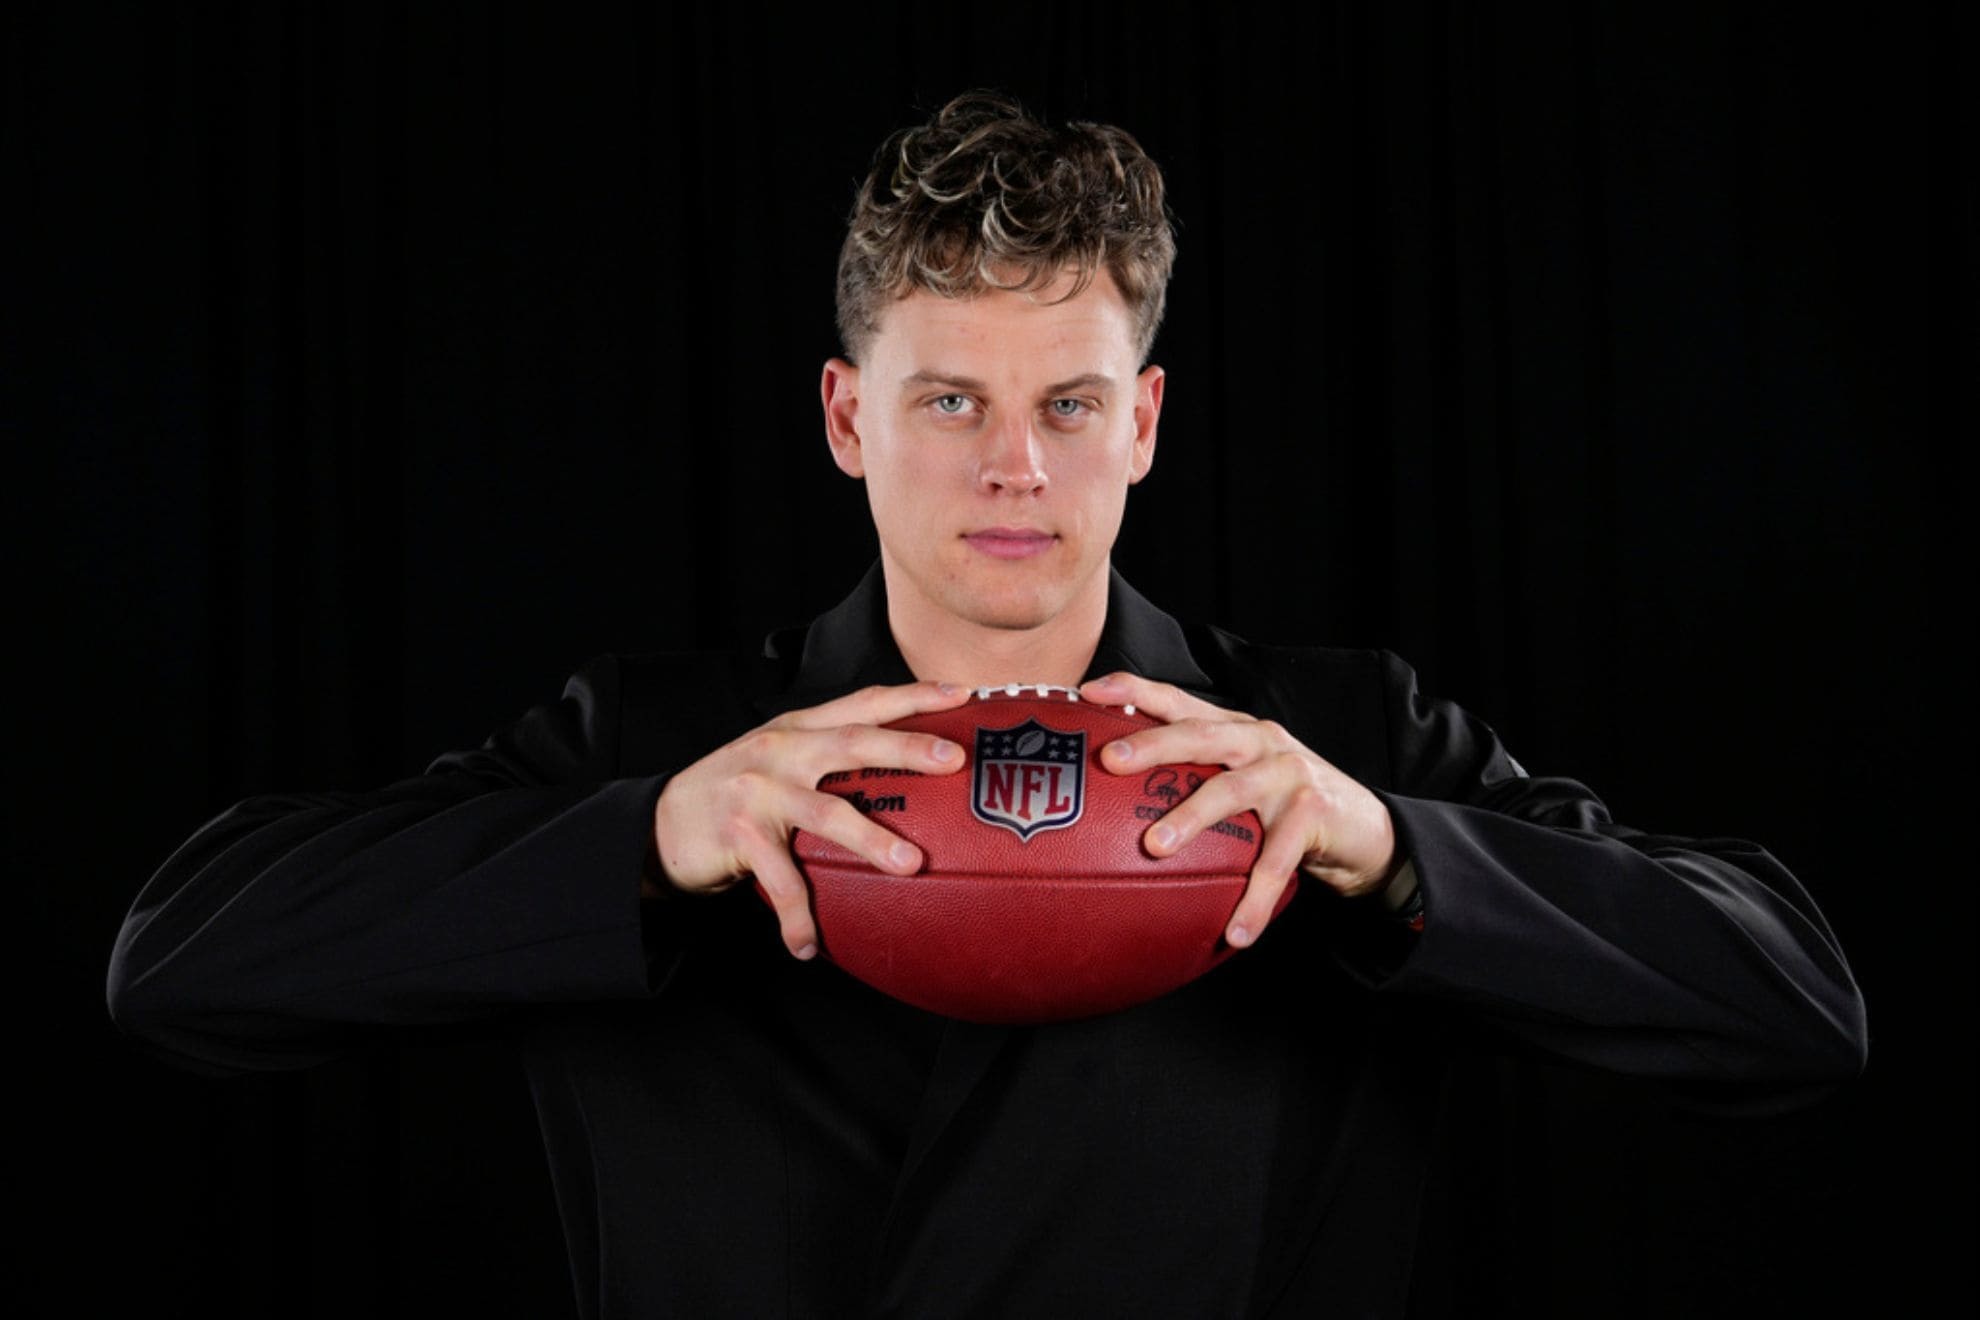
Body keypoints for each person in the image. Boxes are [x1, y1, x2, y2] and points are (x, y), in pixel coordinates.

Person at [109, 92, 1867, 1318]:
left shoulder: (1332, 741)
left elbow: (1792, 1007)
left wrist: (1401, 854)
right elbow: (181, 966)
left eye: (1073, 405)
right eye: (948, 401)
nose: (1016, 470)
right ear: (845, 419)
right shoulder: (655, 745)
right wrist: (638, 841)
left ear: (1151, 421)